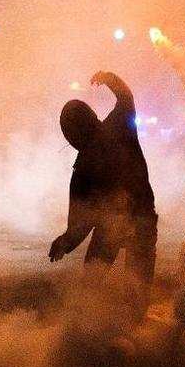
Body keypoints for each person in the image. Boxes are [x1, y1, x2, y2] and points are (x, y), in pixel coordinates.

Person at [49, 71, 157, 285]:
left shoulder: (83, 168)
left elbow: (81, 221)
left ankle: (91, 312)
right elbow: (126, 97)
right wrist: (109, 78)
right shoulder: (118, 127)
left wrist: (66, 242)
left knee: (91, 285)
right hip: (138, 218)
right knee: (135, 292)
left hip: (118, 226)